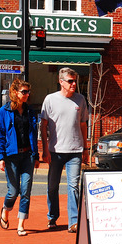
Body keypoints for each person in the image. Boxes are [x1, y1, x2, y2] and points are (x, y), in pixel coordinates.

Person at [40, 67, 89, 233]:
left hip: (75, 150)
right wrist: (45, 149)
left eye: (75, 80)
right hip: (55, 150)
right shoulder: (50, 100)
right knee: (52, 186)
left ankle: (73, 221)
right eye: (70, 81)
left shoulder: (80, 100)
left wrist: (85, 148)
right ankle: (52, 217)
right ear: (61, 82)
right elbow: (44, 125)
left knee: (73, 186)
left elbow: (83, 125)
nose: (74, 84)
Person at [0, 79, 40, 236]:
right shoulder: (4, 111)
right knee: (13, 191)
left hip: (27, 155)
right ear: (15, 93)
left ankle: (21, 224)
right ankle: (5, 210)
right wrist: (0, 157)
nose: (27, 95)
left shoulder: (30, 111)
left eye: (28, 92)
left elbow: (34, 135)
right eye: (24, 92)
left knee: (26, 191)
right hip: (11, 156)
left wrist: (36, 156)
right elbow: (0, 135)